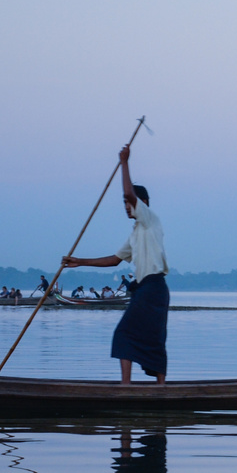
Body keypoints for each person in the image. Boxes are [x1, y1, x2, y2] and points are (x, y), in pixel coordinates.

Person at [61, 144, 169, 384]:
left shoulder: (151, 220)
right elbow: (115, 259)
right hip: (146, 289)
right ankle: (128, 385)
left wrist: (124, 163)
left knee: (143, 336)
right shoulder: (136, 233)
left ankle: (154, 388)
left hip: (154, 288)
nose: (126, 206)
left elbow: (130, 194)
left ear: (143, 203)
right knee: (132, 335)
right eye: (123, 204)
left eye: (128, 203)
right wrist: (80, 262)